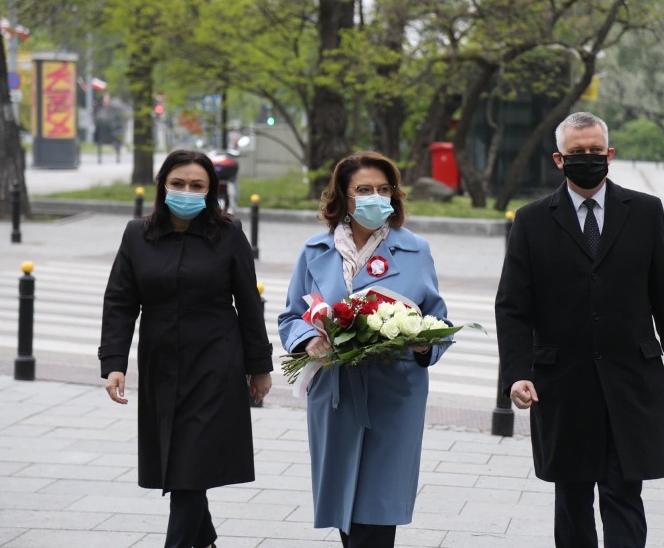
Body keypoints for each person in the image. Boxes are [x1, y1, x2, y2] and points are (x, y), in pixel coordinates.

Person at [495, 112, 664, 547]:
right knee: (571, 497)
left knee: (624, 492)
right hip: (561, 384)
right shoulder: (531, 221)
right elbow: (512, 307)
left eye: (594, 151)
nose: (587, 158)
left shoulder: (644, 211)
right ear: (558, 159)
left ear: (610, 154)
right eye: (576, 153)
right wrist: (517, 374)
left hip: (630, 379)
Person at [98, 150, 273, 548]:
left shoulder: (228, 233)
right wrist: (113, 362)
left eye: (197, 186)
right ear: (162, 185)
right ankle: (205, 538)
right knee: (182, 462)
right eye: (178, 183)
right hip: (161, 362)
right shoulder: (136, 233)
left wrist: (259, 367)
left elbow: (248, 302)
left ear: (211, 192)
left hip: (216, 361)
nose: (186, 192)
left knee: (189, 467)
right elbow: (121, 301)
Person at [278, 151, 451, 548]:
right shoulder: (314, 251)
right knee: (345, 507)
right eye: (364, 190)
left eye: (383, 189)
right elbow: (290, 317)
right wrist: (309, 339)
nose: (375, 197)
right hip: (335, 393)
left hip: (394, 393)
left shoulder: (415, 250)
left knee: (378, 508)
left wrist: (425, 344)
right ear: (343, 195)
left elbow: (438, 319)